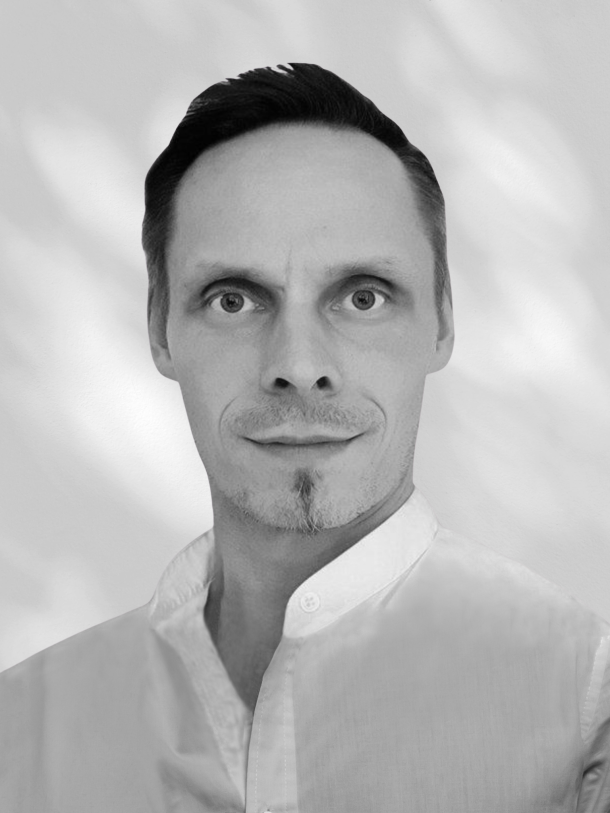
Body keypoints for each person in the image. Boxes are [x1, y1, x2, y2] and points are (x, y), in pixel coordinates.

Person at [1, 62, 608, 812]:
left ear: (443, 322)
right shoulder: (19, 734)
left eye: (363, 297)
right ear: (160, 328)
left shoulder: (589, 709)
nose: (297, 365)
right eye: (233, 299)